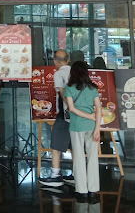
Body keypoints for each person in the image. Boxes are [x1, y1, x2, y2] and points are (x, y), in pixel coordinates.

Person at [64, 61, 102, 200]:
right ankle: (93, 189)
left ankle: (82, 190)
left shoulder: (69, 88)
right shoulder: (93, 88)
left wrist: (88, 116)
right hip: (91, 127)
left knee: (79, 158)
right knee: (92, 158)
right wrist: (97, 128)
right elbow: (99, 109)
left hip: (76, 126)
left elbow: (71, 108)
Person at [40, 50, 75, 187]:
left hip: (65, 115)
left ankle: (55, 176)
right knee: (74, 146)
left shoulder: (59, 74)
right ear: (68, 60)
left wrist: (70, 108)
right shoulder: (75, 72)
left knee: (56, 144)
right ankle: (76, 174)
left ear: (55, 60)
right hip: (78, 115)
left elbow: (62, 93)